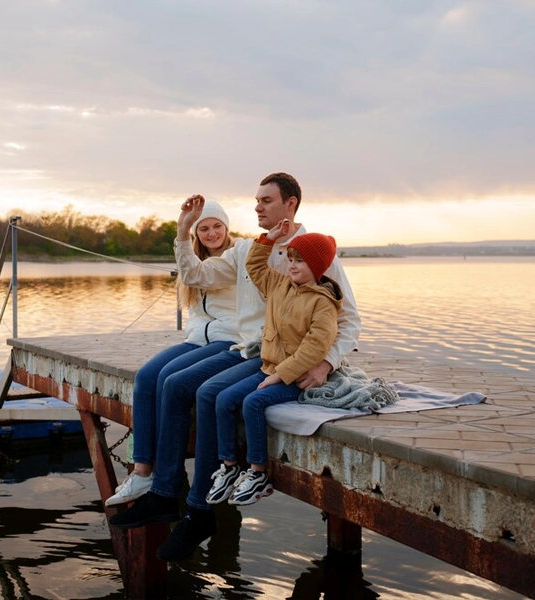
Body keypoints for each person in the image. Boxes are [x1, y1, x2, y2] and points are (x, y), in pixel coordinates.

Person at [109, 172, 361, 563]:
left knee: (206, 393)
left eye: (266, 200)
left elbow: (348, 319)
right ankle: (163, 493)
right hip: (249, 349)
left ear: (291, 204)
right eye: (256, 200)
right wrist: (183, 233)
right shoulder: (247, 250)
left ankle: (197, 509)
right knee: (176, 385)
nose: (257, 207)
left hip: (282, 357)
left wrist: (326, 363)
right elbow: (195, 275)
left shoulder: (315, 253)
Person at [105, 199, 239, 506]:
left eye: (217, 226)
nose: (212, 233)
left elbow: (200, 275)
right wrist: (183, 231)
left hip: (228, 339)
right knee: (146, 377)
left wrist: (182, 236)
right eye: (204, 228)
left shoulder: (236, 257)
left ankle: (168, 478)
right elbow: (195, 301)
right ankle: (142, 471)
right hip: (198, 338)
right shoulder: (192, 259)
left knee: (170, 378)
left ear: (227, 227)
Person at [206, 222, 342, 507]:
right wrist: (268, 240)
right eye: (290, 259)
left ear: (317, 266)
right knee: (223, 399)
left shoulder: (323, 303)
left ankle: (258, 473)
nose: (292, 266)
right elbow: (254, 266)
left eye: (299, 261)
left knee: (253, 403)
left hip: (297, 377)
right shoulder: (280, 284)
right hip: (269, 367)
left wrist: (280, 375)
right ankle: (229, 467)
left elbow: (315, 348)